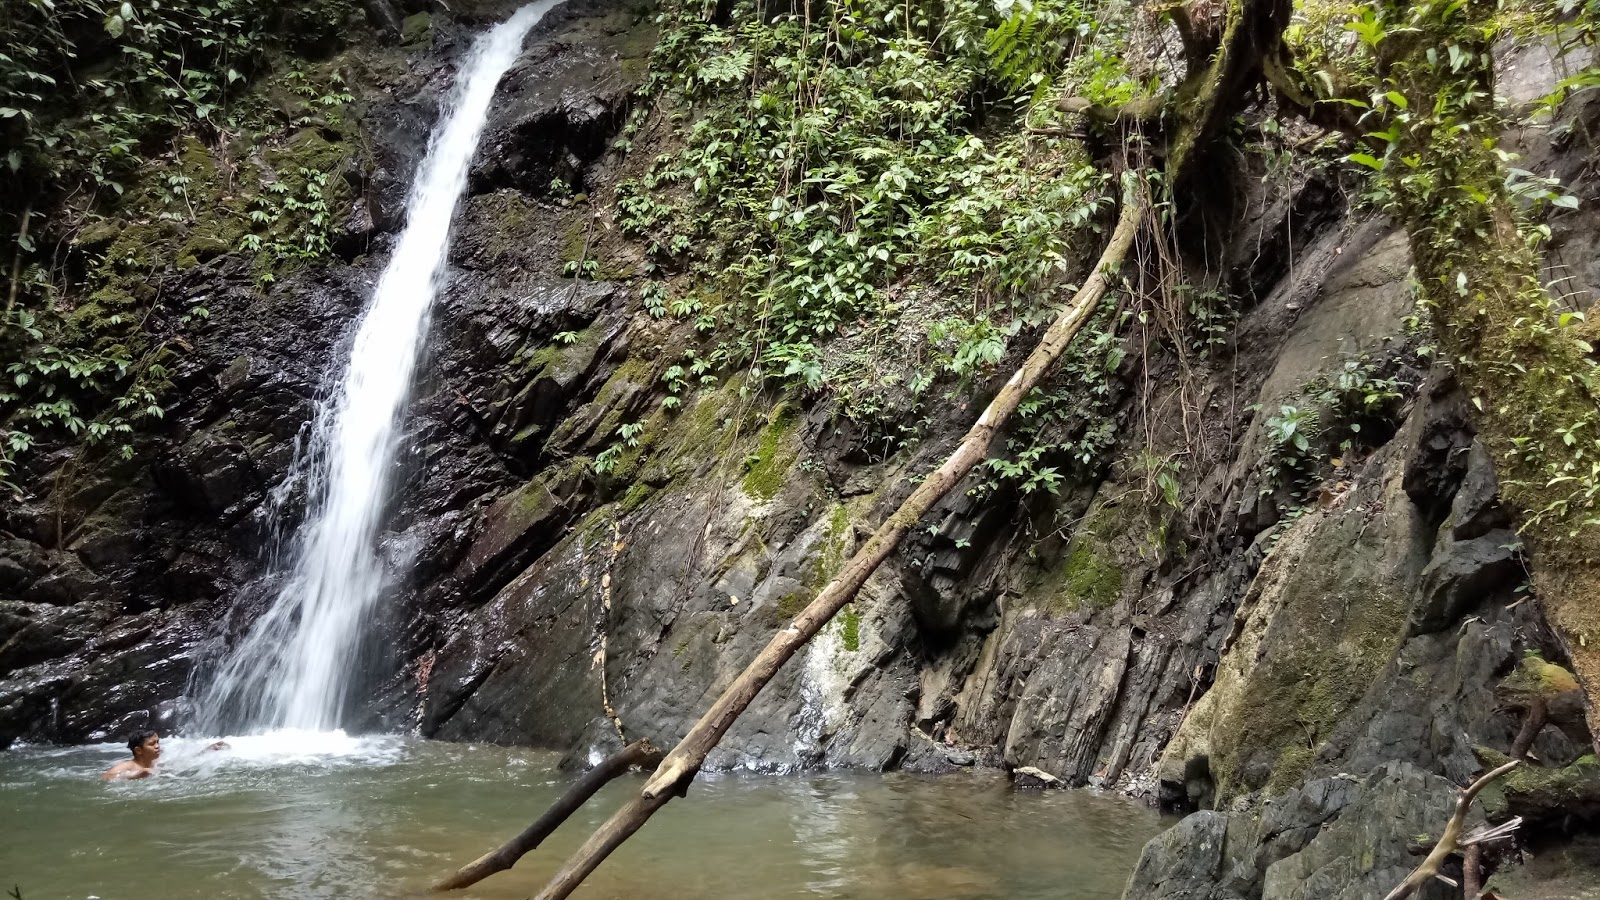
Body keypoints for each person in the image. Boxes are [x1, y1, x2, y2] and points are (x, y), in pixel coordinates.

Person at [101, 730, 229, 781]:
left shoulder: (157, 762)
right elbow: (106, 777)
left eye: (158, 742)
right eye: (152, 744)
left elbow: (187, 761)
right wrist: (135, 775)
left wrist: (207, 750)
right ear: (139, 750)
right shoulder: (130, 765)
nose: (157, 746)